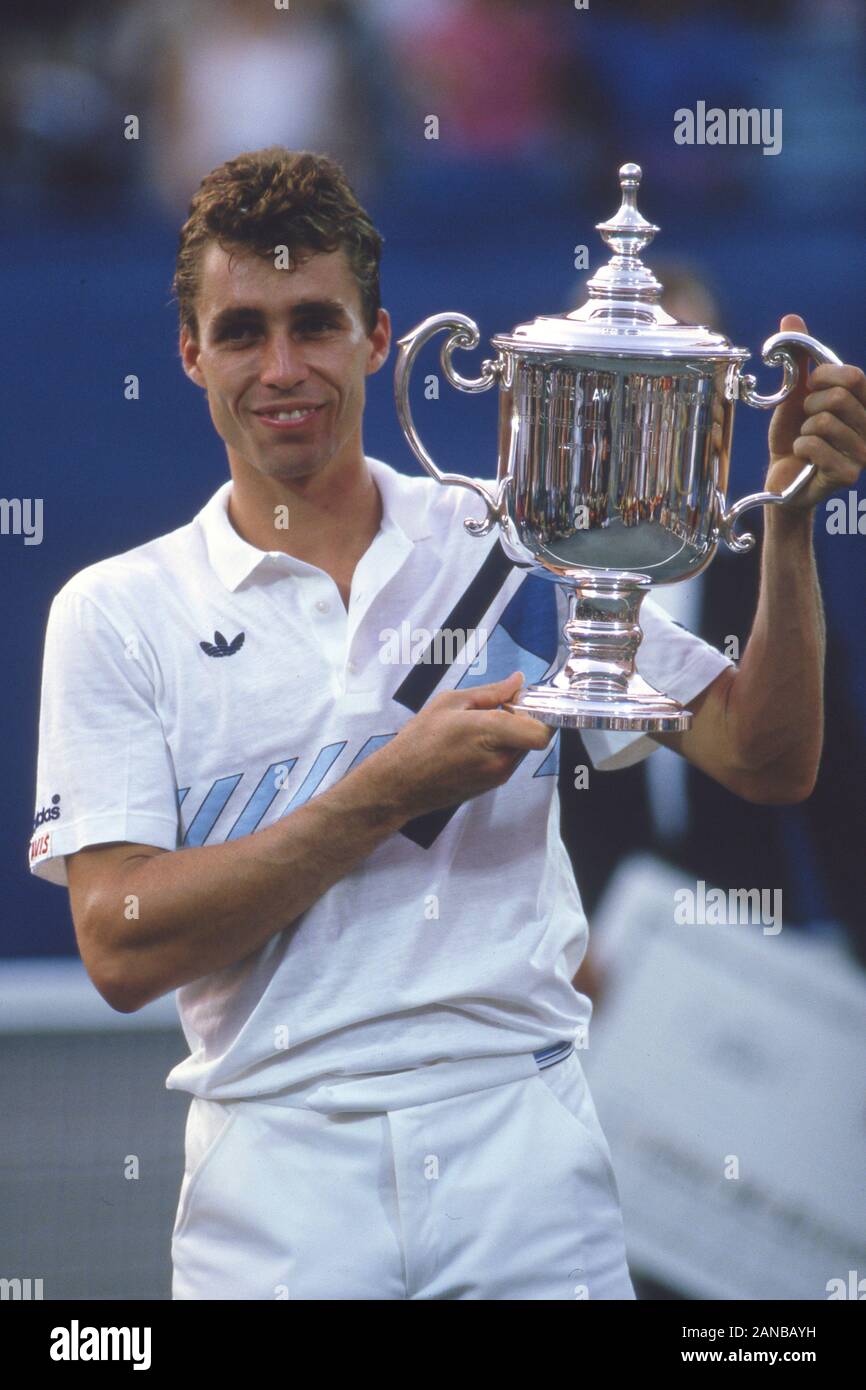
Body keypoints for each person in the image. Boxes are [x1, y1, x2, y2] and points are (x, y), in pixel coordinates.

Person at [28, 147, 866, 1300]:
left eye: (316, 323)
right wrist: (386, 790)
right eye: (242, 331)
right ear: (190, 355)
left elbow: (765, 758)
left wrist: (783, 526)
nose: (282, 367)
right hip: (275, 1172)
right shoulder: (116, 613)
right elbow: (120, 945)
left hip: (519, 1150)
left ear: (379, 341)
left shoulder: (508, 544)